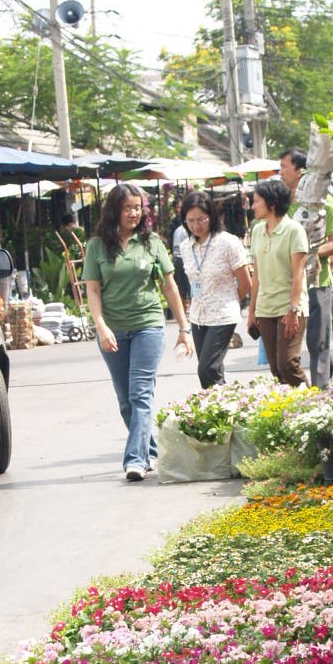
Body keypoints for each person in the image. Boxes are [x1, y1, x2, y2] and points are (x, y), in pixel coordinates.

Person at [82, 182, 193, 482]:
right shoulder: (97, 246)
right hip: (113, 330)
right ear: (114, 210)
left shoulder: (151, 242)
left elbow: (170, 286)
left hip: (148, 325)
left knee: (140, 393)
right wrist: (101, 326)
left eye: (138, 208)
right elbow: (92, 290)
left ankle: (135, 460)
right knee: (126, 401)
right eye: (128, 208)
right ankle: (151, 451)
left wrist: (184, 328)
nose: (134, 214)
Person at [280, 147, 333, 388]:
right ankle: (292, 390)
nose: (280, 172)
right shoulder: (281, 202)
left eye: (284, 166)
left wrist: (310, 254)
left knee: (318, 341)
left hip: (317, 283)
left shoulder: (324, 202)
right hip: (287, 284)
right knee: (286, 346)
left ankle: (321, 391)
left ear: (300, 171)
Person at [179, 190, 251, 389]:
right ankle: (225, 412)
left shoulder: (227, 242)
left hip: (222, 314)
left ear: (211, 216)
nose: (196, 225)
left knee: (207, 368)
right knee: (211, 373)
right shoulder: (186, 247)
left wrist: (230, 301)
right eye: (190, 220)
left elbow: (245, 283)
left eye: (201, 219)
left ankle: (229, 407)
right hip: (198, 315)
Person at [248, 177, 309, 387]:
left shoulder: (294, 230)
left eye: (256, 201)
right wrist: (251, 311)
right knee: (275, 368)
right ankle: (291, 412)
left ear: (271, 204)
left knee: (288, 363)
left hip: (289, 308)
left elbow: (298, 274)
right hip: (265, 309)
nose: (252, 206)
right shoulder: (256, 230)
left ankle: (315, 404)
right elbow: (256, 274)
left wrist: (293, 310)